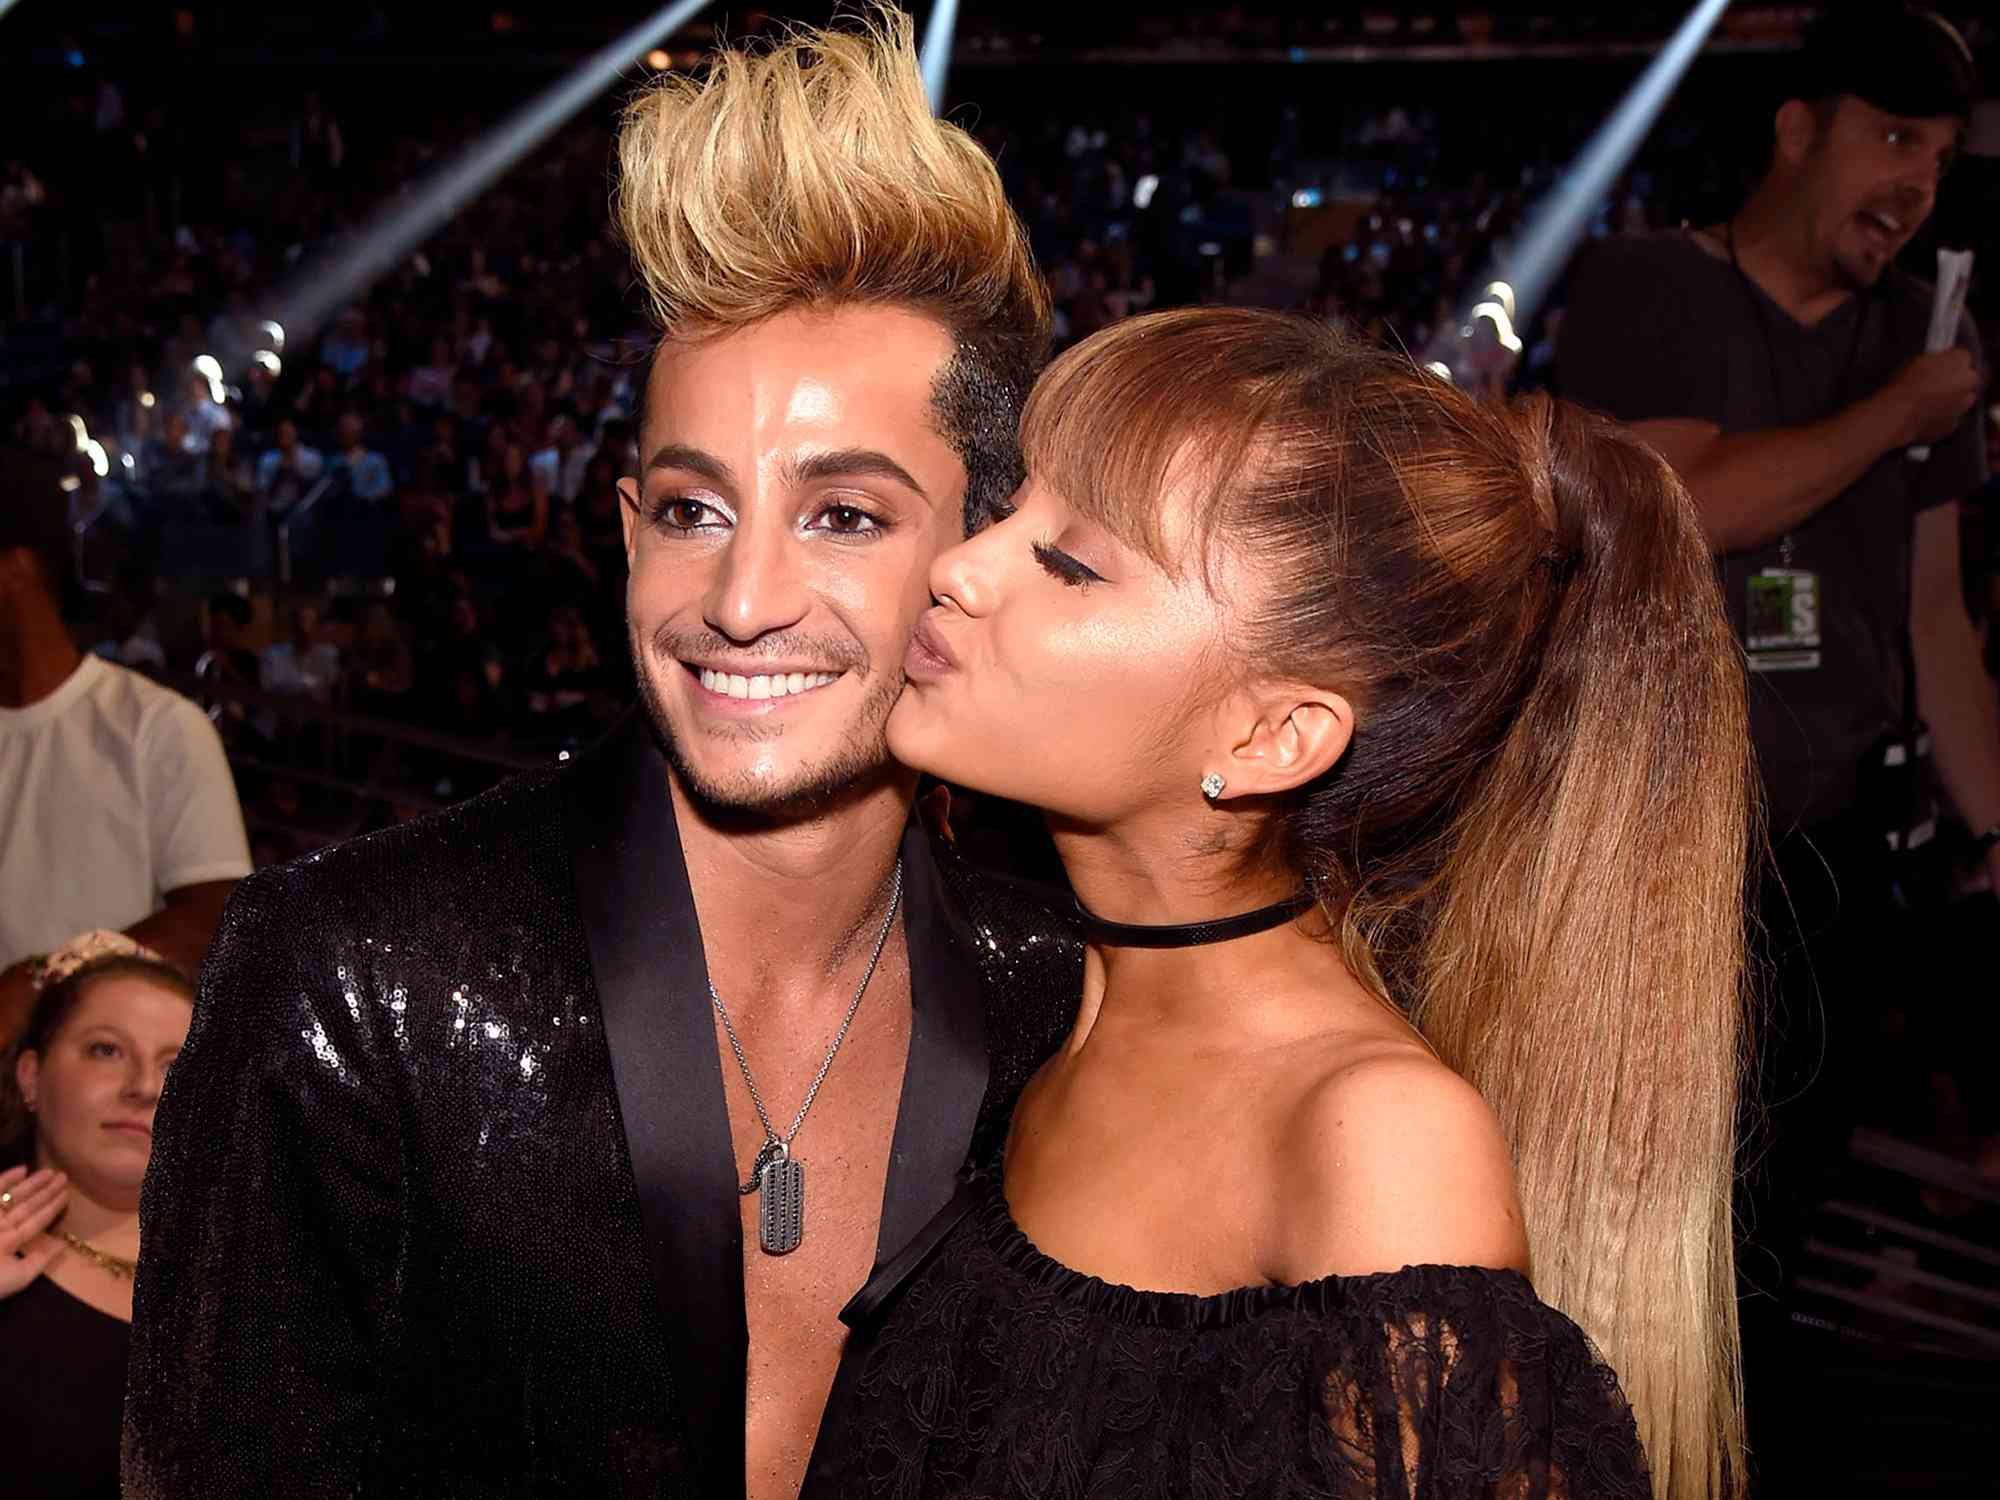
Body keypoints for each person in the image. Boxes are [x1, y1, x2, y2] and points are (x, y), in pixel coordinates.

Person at [124, 13, 1070, 1500]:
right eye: (695, 510)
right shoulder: (349, 978)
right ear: (629, 534)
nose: (742, 600)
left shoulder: (1065, 1004)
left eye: (844, 515)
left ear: (980, 559)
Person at [804, 308, 1751, 1500]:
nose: (959, 564)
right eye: (1014, 512)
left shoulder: (1375, 1146)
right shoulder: (1023, 993)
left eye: (1070, 561)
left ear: (1272, 737)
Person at [1557, 2, 1995, 1316]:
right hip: (1653, 843)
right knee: (1639, 1222)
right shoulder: (1649, 284)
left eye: (1938, 154)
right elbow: (1679, 507)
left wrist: (1998, 827)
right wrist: (1896, 416)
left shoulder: (1929, 329)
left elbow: (1936, 622)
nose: (1916, 182)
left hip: (1831, 855)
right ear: (1797, 132)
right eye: (1891, 136)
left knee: (1774, 1237)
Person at [0, 446, 250, 1042]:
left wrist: (44, 983)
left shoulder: (155, 726)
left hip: (102, 1111)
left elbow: (216, 919)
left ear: (15, 570)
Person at [0, 930, 197, 1500]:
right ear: (31, 1076)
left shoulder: (255, 1291)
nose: (143, 1088)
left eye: (175, 1067)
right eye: (106, 1050)